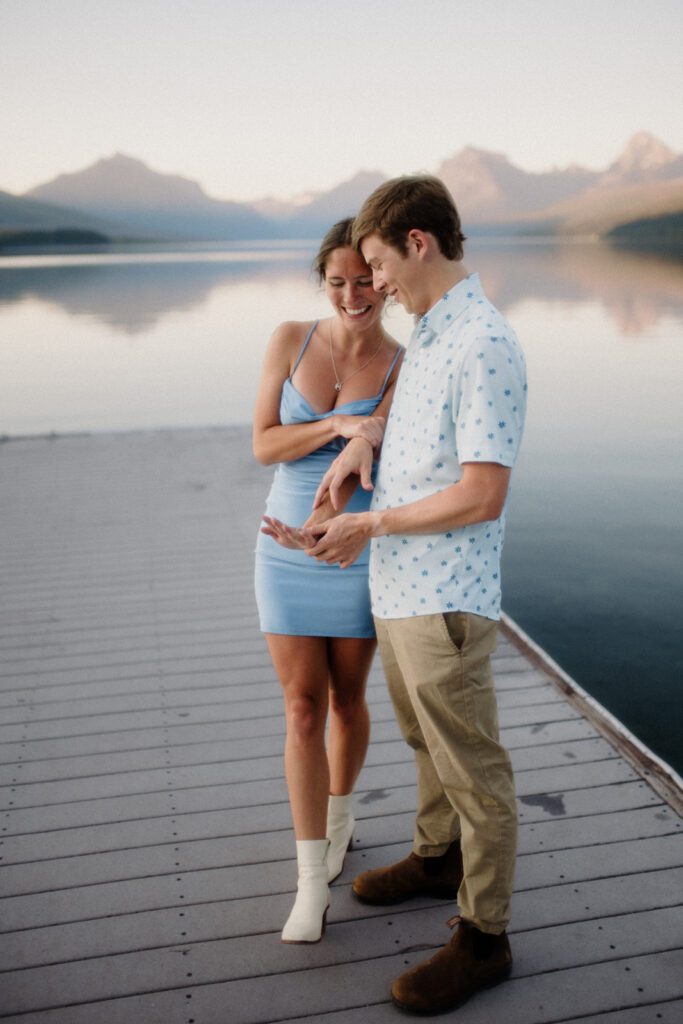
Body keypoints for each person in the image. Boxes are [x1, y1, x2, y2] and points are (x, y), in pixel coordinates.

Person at [303, 176, 528, 1013]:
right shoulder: (432, 330)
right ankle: (437, 860)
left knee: (473, 768)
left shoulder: (486, 345)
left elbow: (481, 494)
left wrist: (371, 525)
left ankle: (484, 936)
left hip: (446, 596)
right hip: (399, 586)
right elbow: (403, 398)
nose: (376, 286)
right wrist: (363, 445)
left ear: (418, 243)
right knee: (423, 742)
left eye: (379, 264)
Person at [252, 217, 403, 944]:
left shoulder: (406, 363)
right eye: (336, 282)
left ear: (384, 279)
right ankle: (310, 882)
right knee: (301, 709)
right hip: (281, 548)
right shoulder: (289, 338)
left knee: (346, 699)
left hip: (350, 550)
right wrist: (339, 426)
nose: (351, 294)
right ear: (324, 282)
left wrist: (345, 518)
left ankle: (340, 821)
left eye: (363, 280)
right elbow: (262, 444)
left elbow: (388, 468)